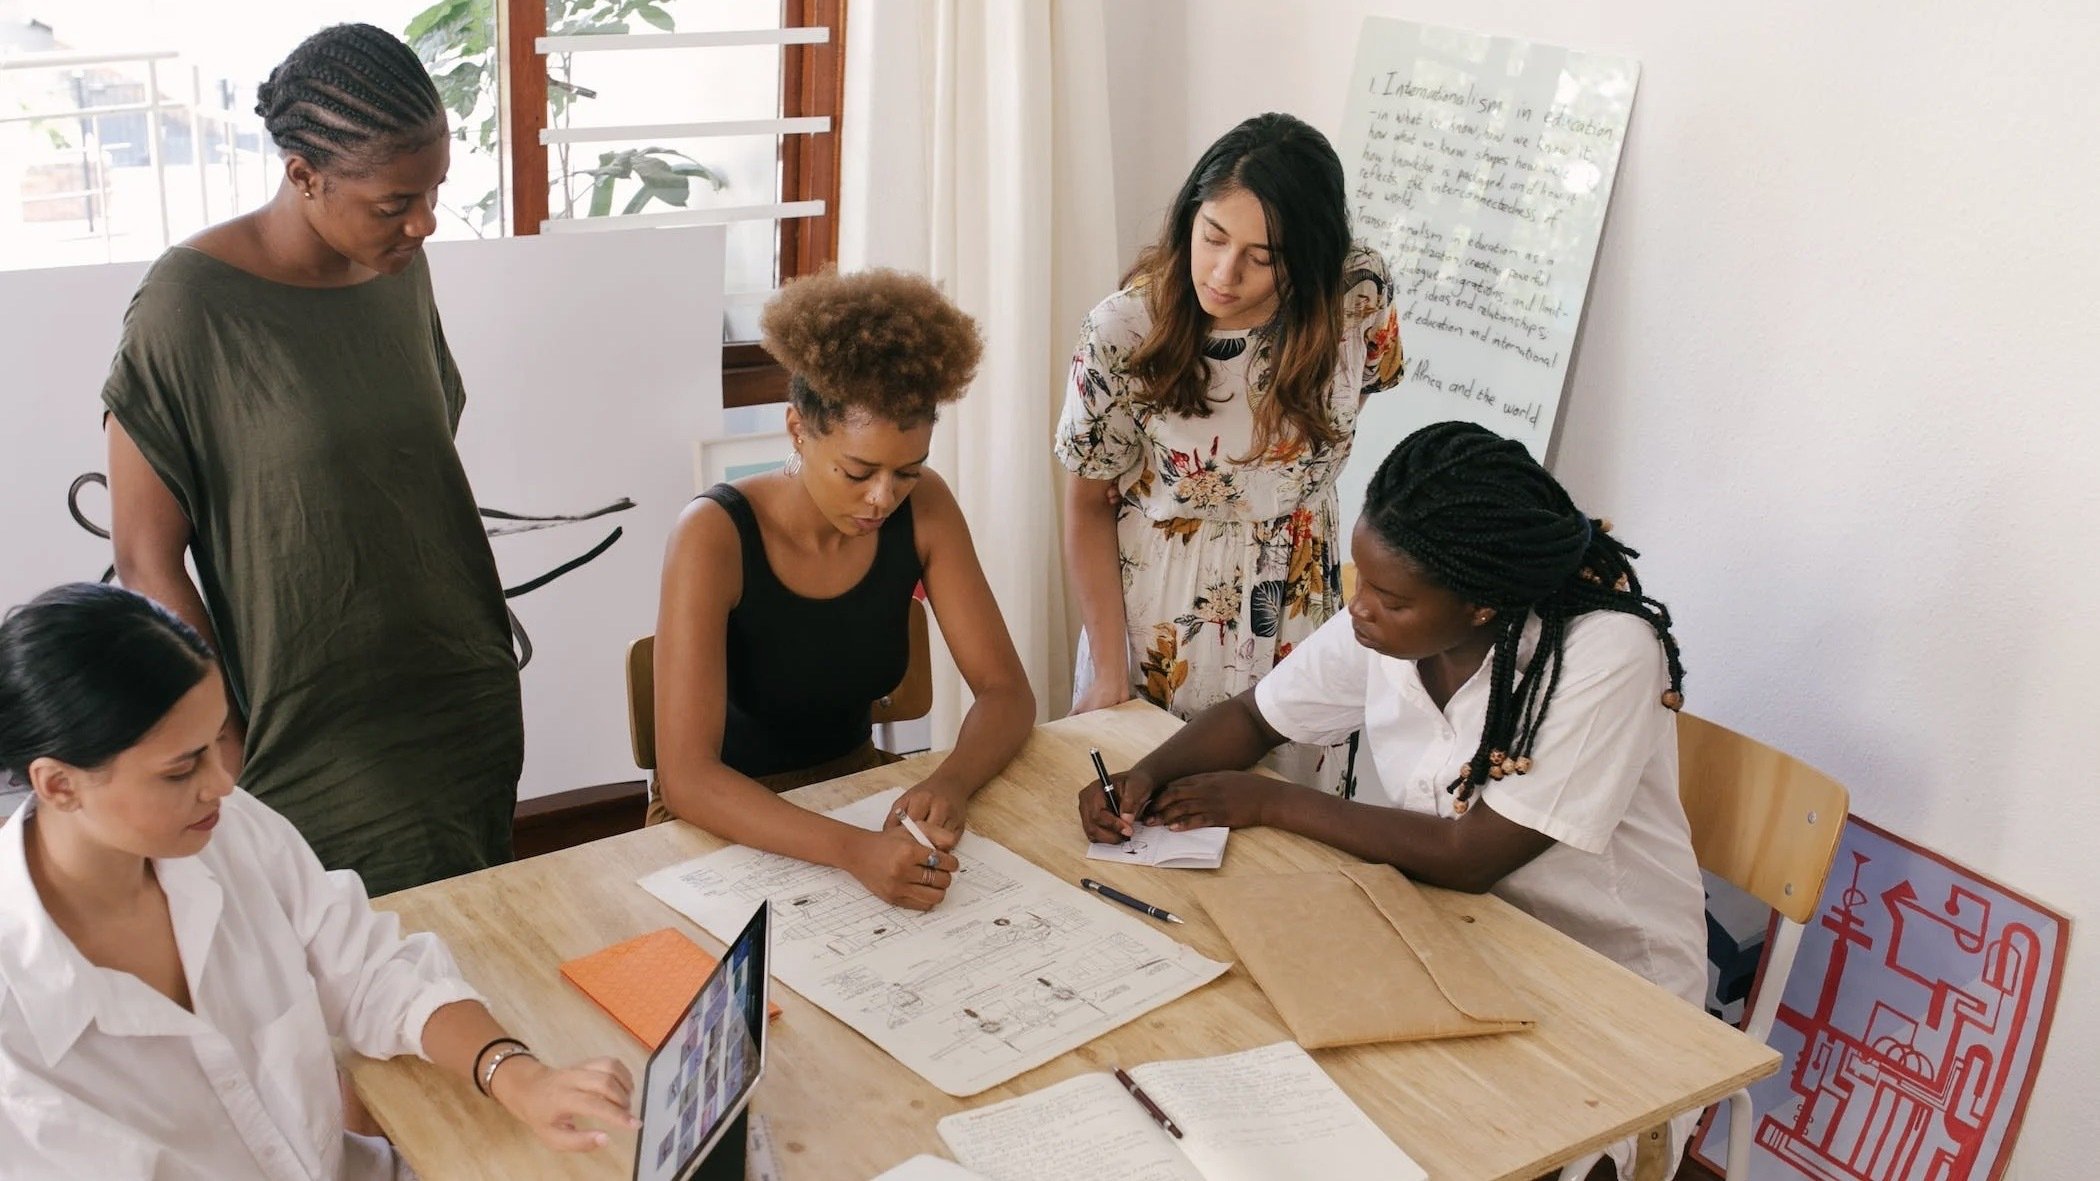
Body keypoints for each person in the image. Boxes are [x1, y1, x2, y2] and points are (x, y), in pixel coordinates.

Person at [1077, 422, 1707, 1181]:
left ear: (1479, 605)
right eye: (1362, 583)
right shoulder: (1389, 627)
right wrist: (1140, 777)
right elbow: (1253, 718)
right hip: (1456, 937)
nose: (1361, 608)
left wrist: (1269, 803)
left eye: (1389, 597)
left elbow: (1470, 853)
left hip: (1606, 986)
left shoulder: (1601, 655)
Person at [0, 584, 635, 1180]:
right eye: (180, 768)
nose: (223, 783)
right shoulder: (16, 1025)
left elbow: (368, 970)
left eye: (217, 740)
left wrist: (516, 1075)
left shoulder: (226, 829)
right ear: (58, 784)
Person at [102, 24, 522, 896]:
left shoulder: (399, 266)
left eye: (435, 190)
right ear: (304, 175)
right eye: (394, 202)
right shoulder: (188, 307)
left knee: (476, 947)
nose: (423, 221)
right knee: (348, 977)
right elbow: (146, 557)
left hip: (458, 690)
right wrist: (218, 735)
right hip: (311, 724)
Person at [650, 269, 1036, 911]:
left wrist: (952, 782)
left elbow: (1006, 692)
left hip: (855, 792)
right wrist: (854, 851)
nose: (883, 498)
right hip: (723, 821)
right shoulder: (713, 535)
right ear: (798, 430)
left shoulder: (926, 508)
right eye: (858, 472)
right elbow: (688, 780)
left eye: (906, 472)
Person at [1056, 111, 1404, 792]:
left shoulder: (1356, 296)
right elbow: (1085, 504)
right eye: (1211, 236)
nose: (1222, 272)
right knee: (1151, 823)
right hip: (1166, 618)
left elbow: (1363, 391)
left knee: (1294, 842)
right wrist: (1106, 668)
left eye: (1262, 256)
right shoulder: (1125, 330)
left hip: (1303, 610)